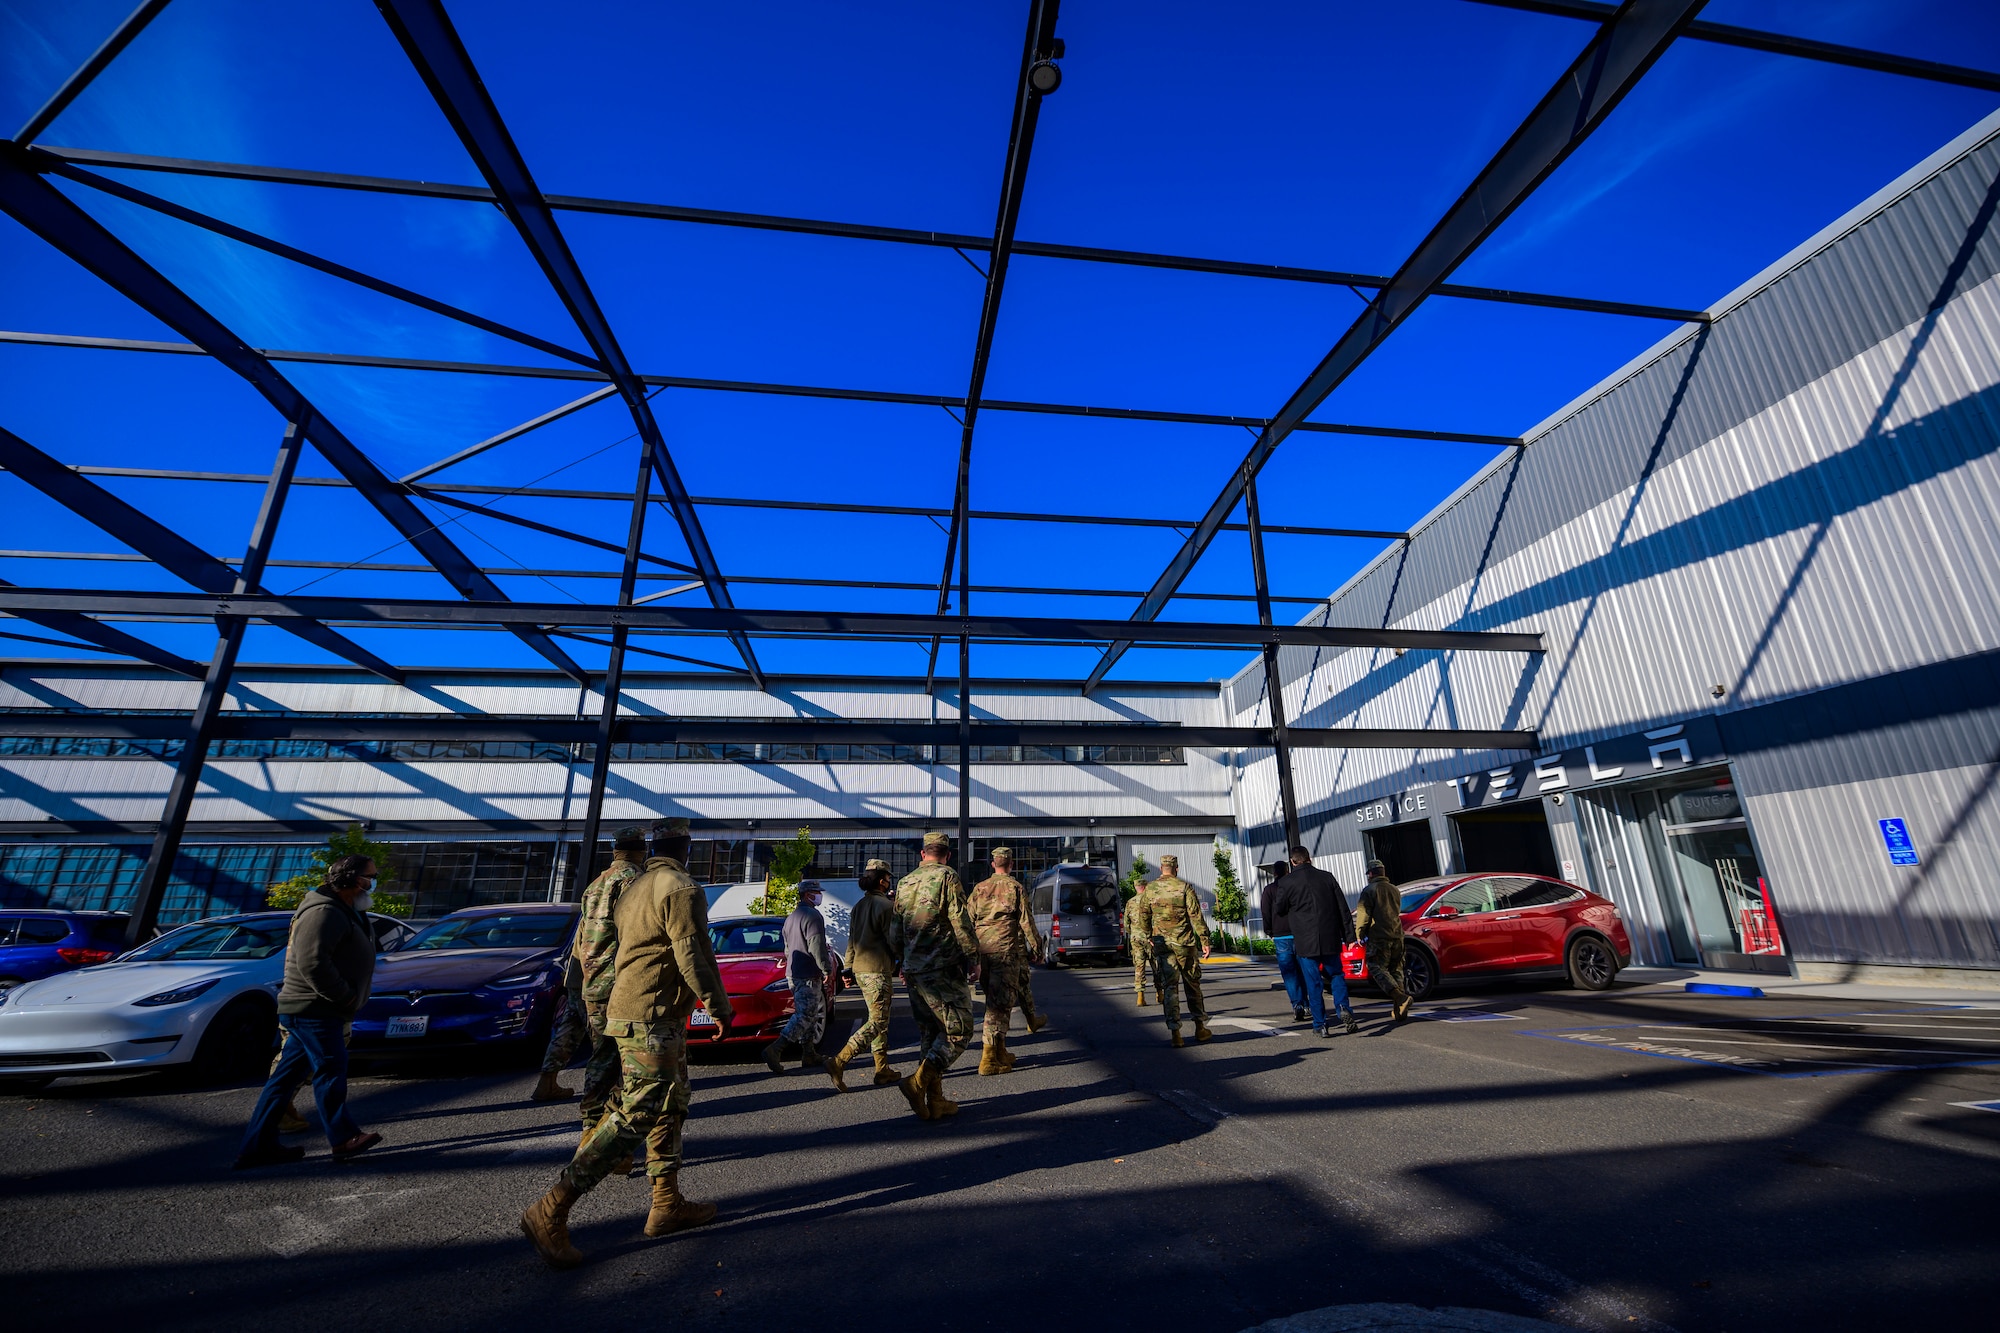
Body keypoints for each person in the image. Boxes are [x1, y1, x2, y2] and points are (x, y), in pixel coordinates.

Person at [520, 818, 731, 1269]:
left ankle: (666, 1202)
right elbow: (692, 952)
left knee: (670, 1104)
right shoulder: (678, 886)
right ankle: (552, 1208)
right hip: (651, 1015)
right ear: (687, 847)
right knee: (638, 1112)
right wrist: (717, 1004)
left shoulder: (635, 885)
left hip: (634, 1008)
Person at [234, 854, 383, 1169]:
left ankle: (257, 1146)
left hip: (317, 1009)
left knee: (284, 1081)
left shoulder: (347, 908)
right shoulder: (323, 912)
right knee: (331, 1070)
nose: (374, 881)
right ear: (355, 879)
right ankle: (343, 1138)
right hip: (315, 1010)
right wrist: (344, 997)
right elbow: (313, 962)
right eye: (371, 875)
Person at [535, 824, 648, 1110]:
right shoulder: (635, 879)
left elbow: (585, 929)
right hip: (611, 977)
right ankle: (599, 1108)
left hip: (582, 972)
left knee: (572, 1028)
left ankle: (548, 1080)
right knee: (609, 1047)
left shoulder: (597, 882)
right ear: (642, 851)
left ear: (615, 851)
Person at [888, 831, 979, 1120]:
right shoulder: (947, 877)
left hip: (914, 969)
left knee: (930, 1033)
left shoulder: (904, 882)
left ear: (922, 853)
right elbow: (960, 921)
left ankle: (935, 1101)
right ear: (947, 854)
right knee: (959, 1031)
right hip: (942, 968)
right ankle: (918, 1082)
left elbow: (895, 931)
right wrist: (974, 958)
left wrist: (903, 961)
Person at [967, 846, 1048, 1075]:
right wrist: (1037, 949)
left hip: (983, 952)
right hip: (1006, 952)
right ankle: (988, 1060)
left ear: (993, 864)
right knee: (999, 1006)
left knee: (994, 1001)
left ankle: (1000, 1051)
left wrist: (969, 954)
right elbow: (1026, 922)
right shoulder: (1016, 888)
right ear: (1011, 864)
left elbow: (967, 920)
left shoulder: (979, 888)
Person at [826, 858, 900, 1091]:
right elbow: (894, 941)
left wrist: (847, 969)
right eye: (888, 878)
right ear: (881, 881)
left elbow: (852, 941)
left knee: (879, 1019)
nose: (889, 881)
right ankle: (840, 1061)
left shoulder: (859, 906)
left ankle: (882, 1069)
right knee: (877, 1021)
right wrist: (904, 960)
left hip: (860, 969)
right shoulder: (886, 907)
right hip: (878, 970)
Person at [1271, 845, 1357, 1037]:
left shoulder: (1287, 882)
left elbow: (1280, 909)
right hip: (1330, 936)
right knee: (1336, 975)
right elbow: (1342, 908)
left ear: (1292, 862)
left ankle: (1320, 1024)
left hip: (1304, 939)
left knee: (1313, 982)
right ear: (1309, 858)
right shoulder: (1327, 877)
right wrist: (1349, 936)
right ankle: (1343, 1007)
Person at [1133, 854, 1211, 1048]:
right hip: (1185, 944)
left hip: (1163, 945)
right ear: (1176, 868)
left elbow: (1143, 916)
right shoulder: (1184, 887)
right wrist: (1205, 940)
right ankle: (1200, 1028)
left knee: (1170, 987)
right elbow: (1195, 916)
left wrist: (1148, 936)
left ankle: (1176, 1033)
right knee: (1192, 984)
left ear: (1161, 868)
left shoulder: (1150, 889)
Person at [766, 879, 831, 1072]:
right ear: (808, 894)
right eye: (816, 892)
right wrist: (826, 968)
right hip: (808, 973)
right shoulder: (812, 916)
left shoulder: (791, 918)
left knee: (808, 1013)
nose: (820, 895)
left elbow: (787, 949)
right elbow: (816, 946)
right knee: (805, 1014)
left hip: (794, 973)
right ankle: (775, 1049)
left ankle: (809, 1053)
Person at [1355, 858, 1413, 1022]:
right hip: (1397, 934)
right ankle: (1400, 1011)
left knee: (1376, 966)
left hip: (1379, 935)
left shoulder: (1369, 890)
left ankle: (1400, 998)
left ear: (1371, 873)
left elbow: (1364, 914)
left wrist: (1359, 933)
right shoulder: (1394, 889)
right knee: (1396, 970)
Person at [1260, 859, 1308, 1022]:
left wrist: (1269, 930)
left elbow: (1265, 912)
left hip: (1281, 936)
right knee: (1304, 970)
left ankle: (1297, 1004)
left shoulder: (1269, 890)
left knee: (1289, 974)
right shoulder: (1295, 886)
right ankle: (1308, 1003)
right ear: (1288, 871)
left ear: (1274, 873)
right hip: (1299, 933)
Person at [1123, 874, 1151, 1006]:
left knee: (1139, 966)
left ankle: (1140, 996)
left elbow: (1126, 923)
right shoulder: (1150, 900)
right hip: (1150, 938)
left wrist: (1132, 932)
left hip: (1136, 938)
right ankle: (1160, 993)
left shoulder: (1130, 902)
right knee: (1156, 965)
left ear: (1136, 888)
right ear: (1145, 887)